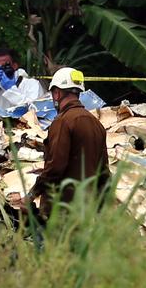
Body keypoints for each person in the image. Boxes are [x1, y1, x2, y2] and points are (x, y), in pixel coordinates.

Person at [27, 67, 110, 220]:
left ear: (57, 93)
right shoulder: (96, 124)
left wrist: (32, 193)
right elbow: (104, 172)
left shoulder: (62, 121)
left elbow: (55, 167)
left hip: (62, 209)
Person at [0, 47, 46, 111]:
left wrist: (11, 90)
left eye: (5, 66)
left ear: (15, 65)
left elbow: (35, 109)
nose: (1, 70)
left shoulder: (32, 84)